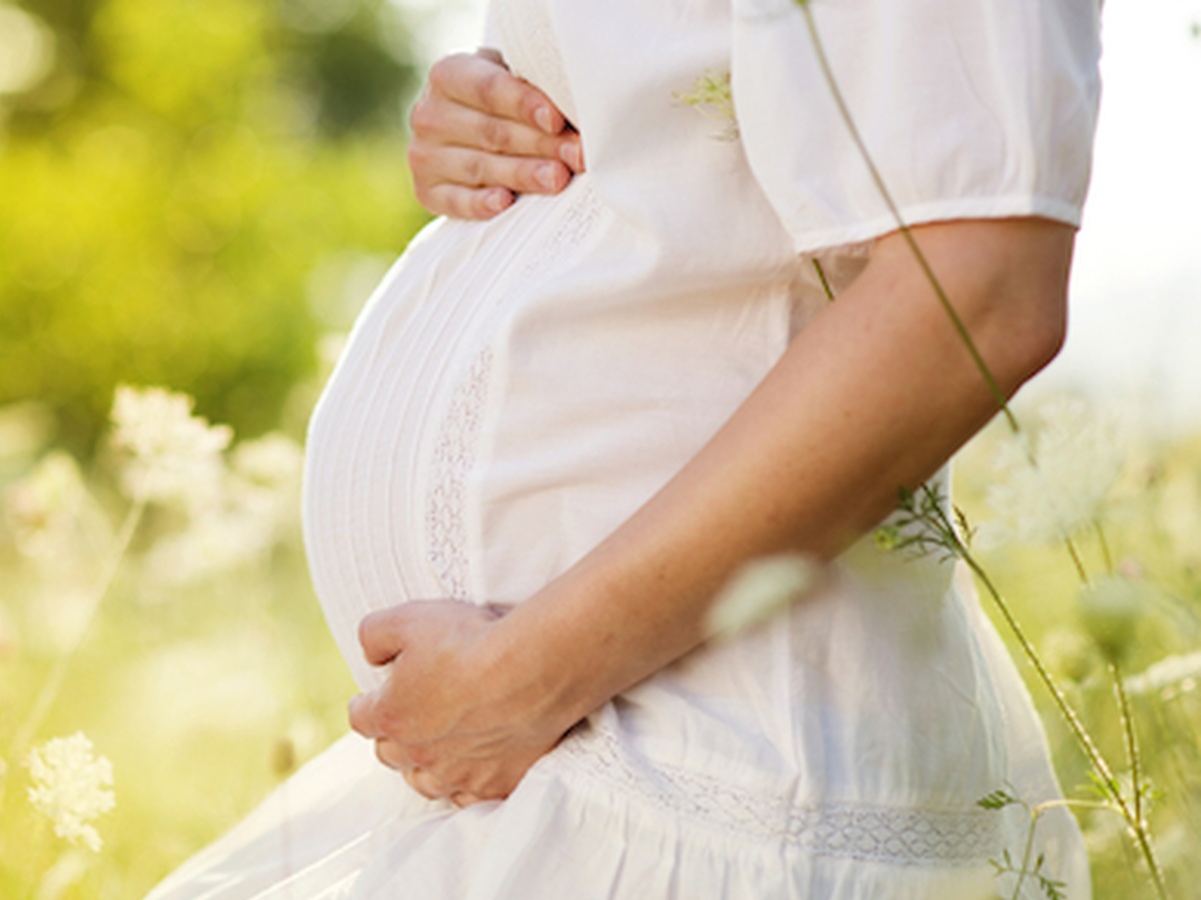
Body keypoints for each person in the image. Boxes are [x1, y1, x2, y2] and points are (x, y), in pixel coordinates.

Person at [149, 0, 1100, 895]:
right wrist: (490, 110)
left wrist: (526, 677)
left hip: (710, 784)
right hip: (558, 780)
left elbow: (980, 289)